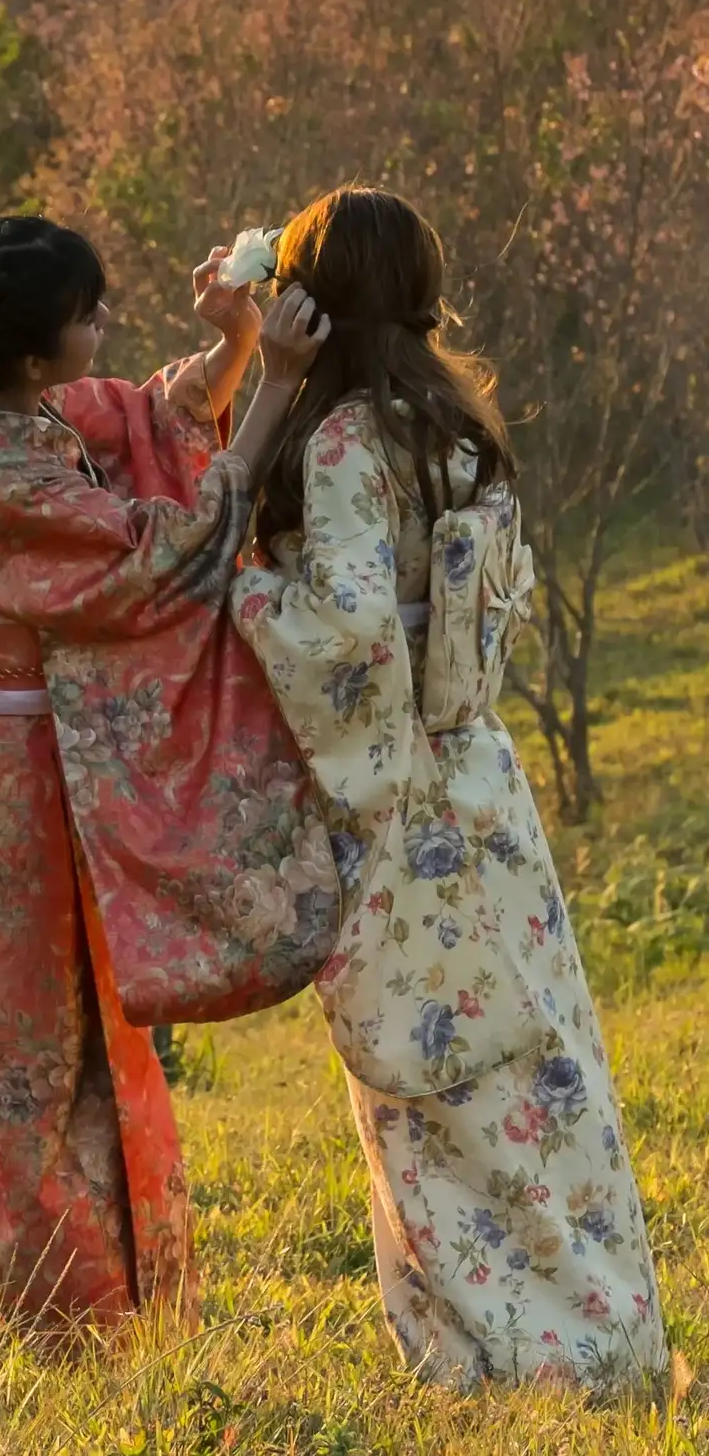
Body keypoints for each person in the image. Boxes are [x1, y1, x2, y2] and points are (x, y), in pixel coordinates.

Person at [231, 187, 667, 1392]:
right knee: (539, 1065)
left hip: (397, 802)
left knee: (433, 1083)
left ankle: (500, 1354)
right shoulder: (461, 428)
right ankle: (607, 1331)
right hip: (483, 779)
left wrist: (240, 587)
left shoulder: (340, 445)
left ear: (313, 301)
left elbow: (348, 639)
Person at [0, 214, 330, 1340]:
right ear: (35, 356)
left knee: (76, 1039)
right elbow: (163, 552)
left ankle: (91, 1315)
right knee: (33, 1058)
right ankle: (52, 1329)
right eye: (87, 317)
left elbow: (144, 416)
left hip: (18, 770)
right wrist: (277, 385)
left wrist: (232, 345)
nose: (103, 328)